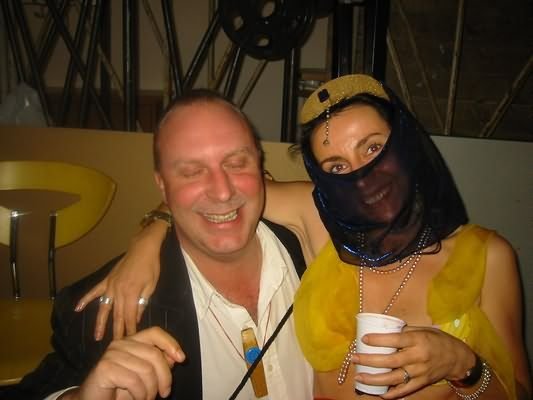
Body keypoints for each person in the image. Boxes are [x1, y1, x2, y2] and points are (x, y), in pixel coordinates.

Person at [76, 75, 531, 399]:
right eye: (337, 166)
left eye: (373, 147)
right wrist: (148, 238)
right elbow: (218, 194)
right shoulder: (321, 219)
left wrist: (462, 367)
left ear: (406, 146)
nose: (363, 176)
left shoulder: (487, 257)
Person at [2, 89, 313, 400]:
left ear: (260, 167)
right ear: (162, 187)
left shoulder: (318, 245)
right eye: (192, 172)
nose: (222, 192)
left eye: (236, 163)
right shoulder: (106, 314)